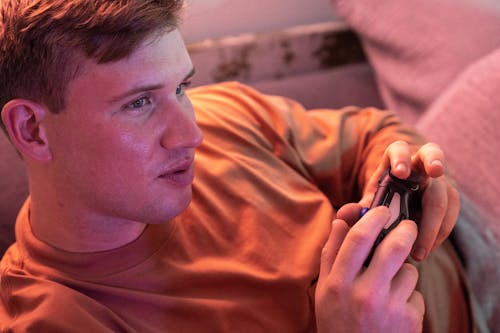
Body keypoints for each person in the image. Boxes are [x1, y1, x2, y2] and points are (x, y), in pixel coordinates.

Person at [0, 0, 472, 332]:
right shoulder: (52, 319)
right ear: (32, 130)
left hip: (472, 245)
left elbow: (371, 132)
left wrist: (408, 164)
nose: (191, 134)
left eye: (181, 86)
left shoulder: (226, 113)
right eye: (139, 102)